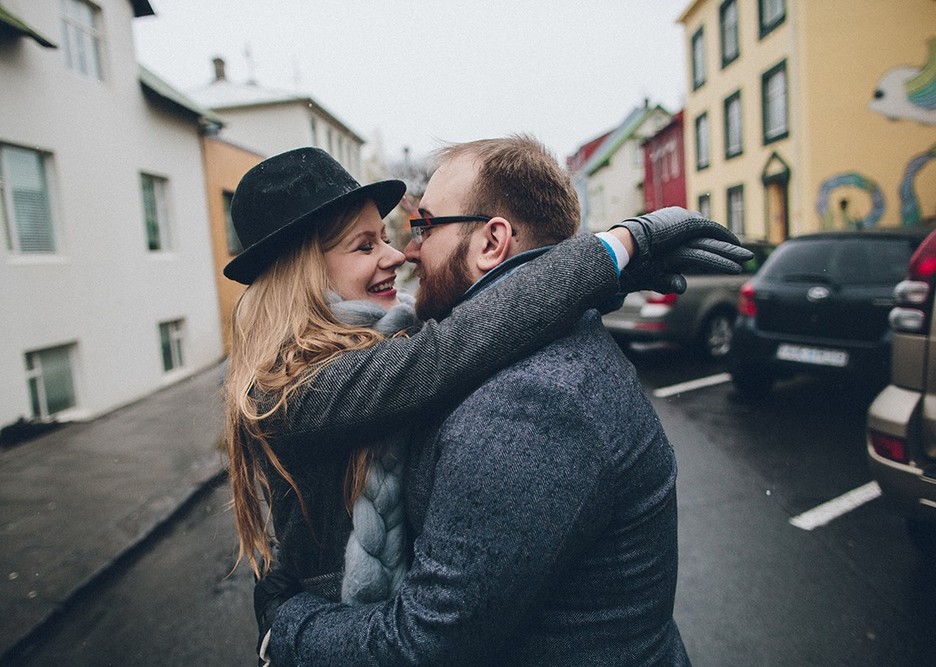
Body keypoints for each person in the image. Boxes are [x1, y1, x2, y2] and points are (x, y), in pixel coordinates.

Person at [226, 143, 749, 666]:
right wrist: (617, 251)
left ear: (493, 241)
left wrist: (610, 274)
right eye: (366, 246)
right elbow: (456, 345)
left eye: (419, 227)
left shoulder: (526, 397)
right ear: (303, 276)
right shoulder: (293, 388)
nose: (401, 253)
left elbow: (485, 325)